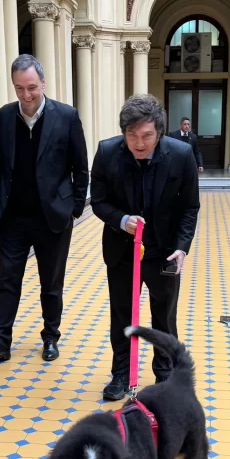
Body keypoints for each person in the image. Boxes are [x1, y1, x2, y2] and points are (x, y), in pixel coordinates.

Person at [0, 54, 88, 365]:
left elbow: (81, 167)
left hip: (52, 217)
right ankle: (0, 343)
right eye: (19, 89)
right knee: (8, 280)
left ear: (43, 84)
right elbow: (0, 163)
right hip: (12, 217)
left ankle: (51, 336)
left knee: (51, 284)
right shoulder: (3, 116)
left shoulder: (66, 116)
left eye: (31, 88)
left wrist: (75, 208)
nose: (26, 96)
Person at [91, 94, 200, 401]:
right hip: (123, 252)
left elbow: (190, 206)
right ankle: (121, 374)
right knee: (122, 315)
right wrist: (121, 219)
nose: (139, 143)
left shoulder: (181, 155)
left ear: (160, 132)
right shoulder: (108, 152)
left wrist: (182, 247)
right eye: (132, 135)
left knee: (164, 316)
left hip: (163, 252)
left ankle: (164, 376)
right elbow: (98, 201)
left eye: (147, 136)